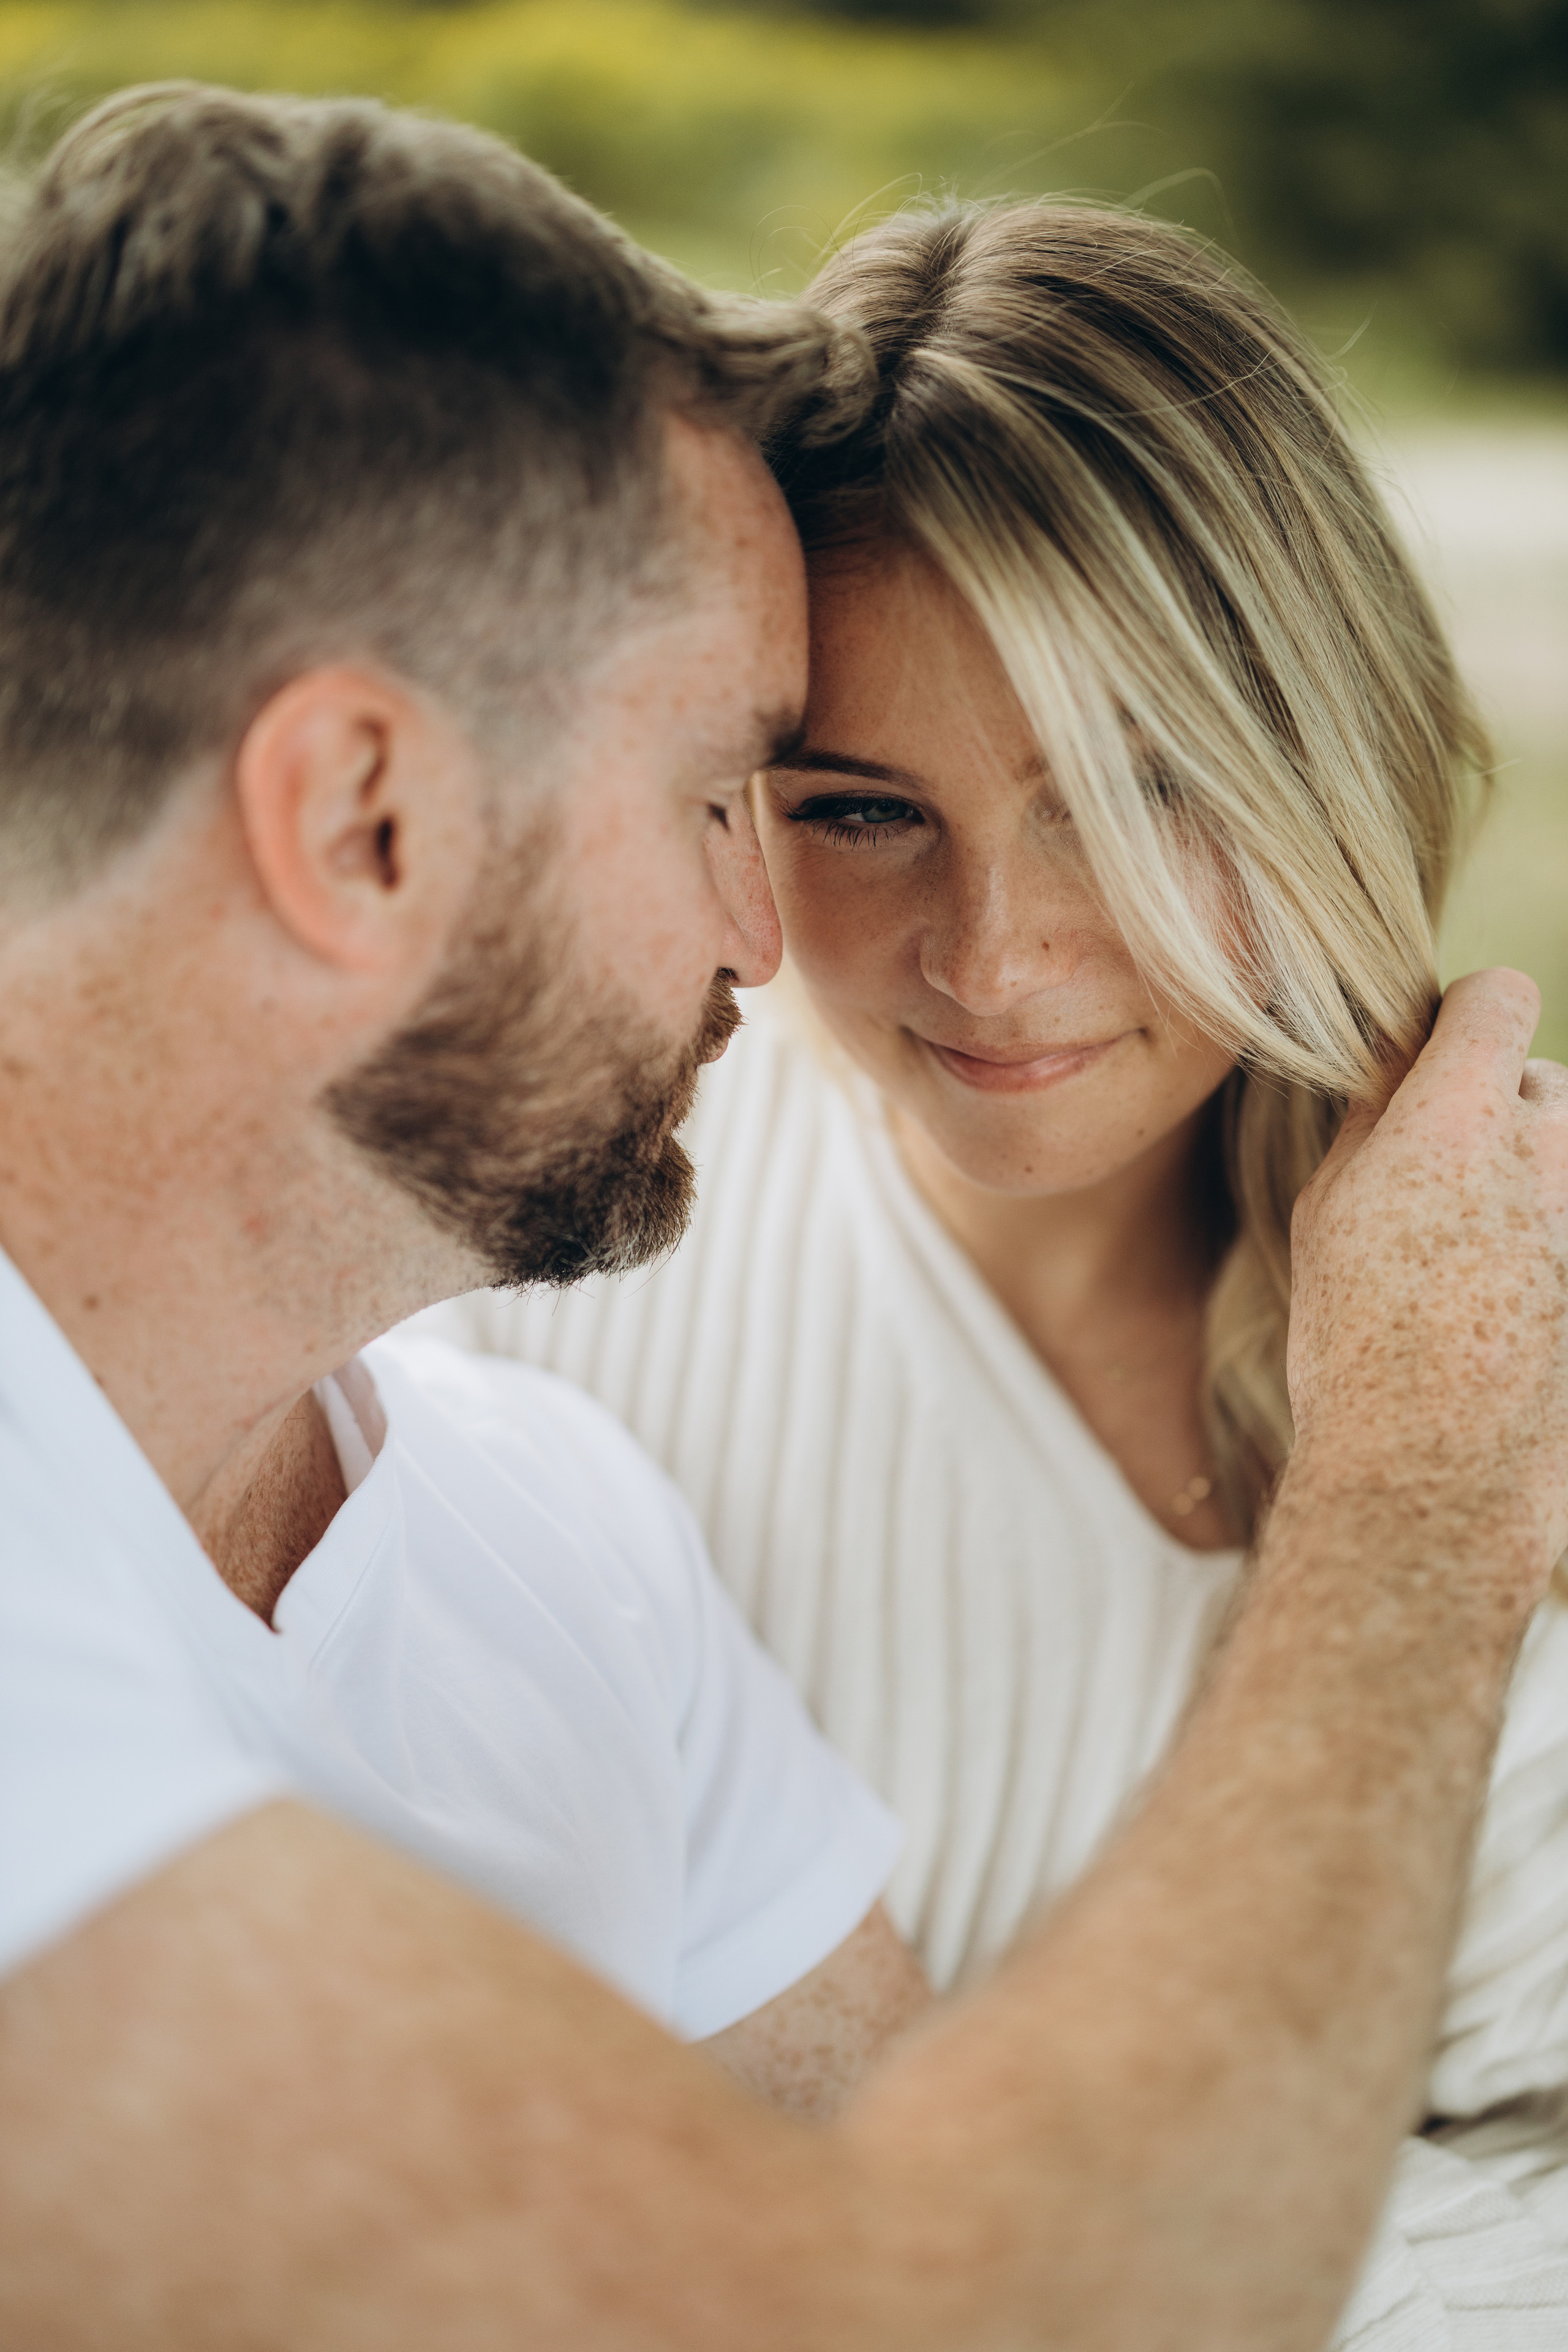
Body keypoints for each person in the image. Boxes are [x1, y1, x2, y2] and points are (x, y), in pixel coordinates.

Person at [2, 86, 1567, 2352]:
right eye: (790, 796)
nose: (987, 949)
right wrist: (1422, 1487)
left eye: (1143, 784)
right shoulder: (568, 1359)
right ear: (354, 817)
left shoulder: (541, 1531)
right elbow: (935, 2293)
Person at [429, 201, 1568, 2334]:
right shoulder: (529, 1256)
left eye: (1138, 790)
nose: (994, 959)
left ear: (1321, 754)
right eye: (861, 811)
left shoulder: (1509, 1320)